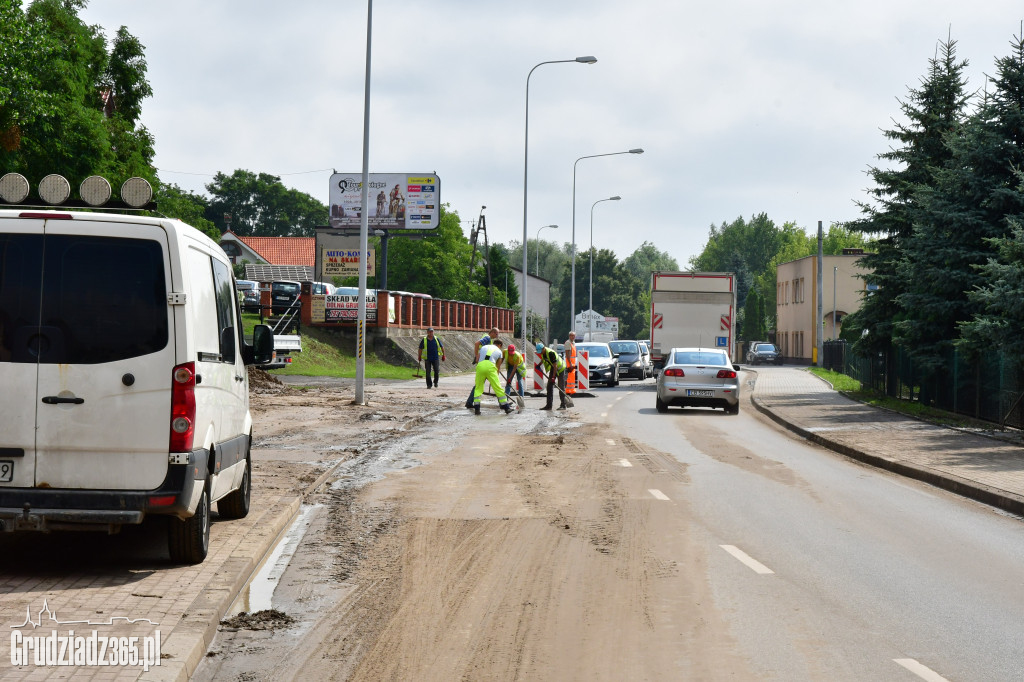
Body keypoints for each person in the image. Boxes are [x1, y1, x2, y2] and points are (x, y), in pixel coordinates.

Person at [474, 339, 512, 415]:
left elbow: (477, 360)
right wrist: (493, 376)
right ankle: (506, 407)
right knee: (497, 387)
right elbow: (498, 367)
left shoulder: (483, 347)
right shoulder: (499, 352)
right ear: (500, 345)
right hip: (491, 367)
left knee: (478, 387)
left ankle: (477, 409)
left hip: (480, 366)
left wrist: (483, 370)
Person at [466, 327, 502, 408]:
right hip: (484, 363)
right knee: (494, 384)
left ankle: (469, 402)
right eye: (496, 334)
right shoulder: (487, 338)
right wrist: (476, 356)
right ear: (492, 332)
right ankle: (503, 404)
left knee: (479, 384)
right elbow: (476, 344)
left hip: (485, 363)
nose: (497, 335)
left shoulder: (490, 340)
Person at [536, 342, 568, 410]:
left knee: (561, 387)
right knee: (549, 386)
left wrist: (553, 377)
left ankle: (563, 405)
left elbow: (555, 366)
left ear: (543, 348)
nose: (540, 353)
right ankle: (549, 406)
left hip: (560, 368)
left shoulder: (550, 353)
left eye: (541, 351)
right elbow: (544, 359)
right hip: (553, 368)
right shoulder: (543, 353)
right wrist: (539, 364)